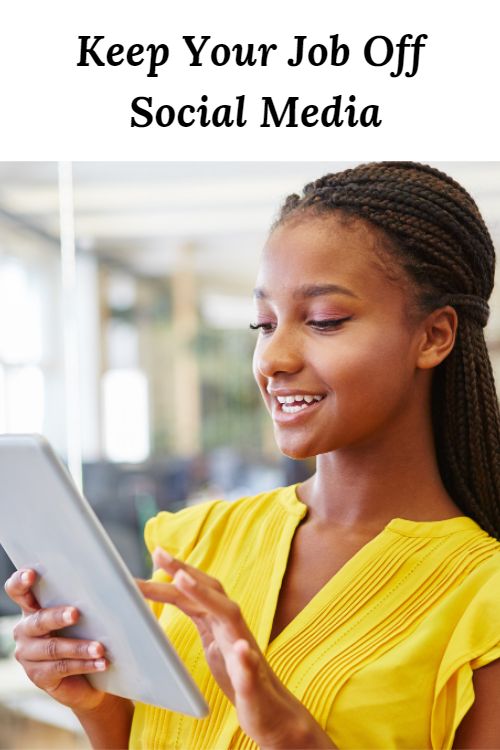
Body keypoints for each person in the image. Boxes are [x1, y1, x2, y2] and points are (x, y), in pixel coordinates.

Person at [5, 161, 500, 749]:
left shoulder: (482, 599)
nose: (271, 359)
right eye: (264, 323)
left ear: (434, 336)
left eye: (324, 321)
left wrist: (290, 734)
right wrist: (96, 702)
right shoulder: (194, 545)